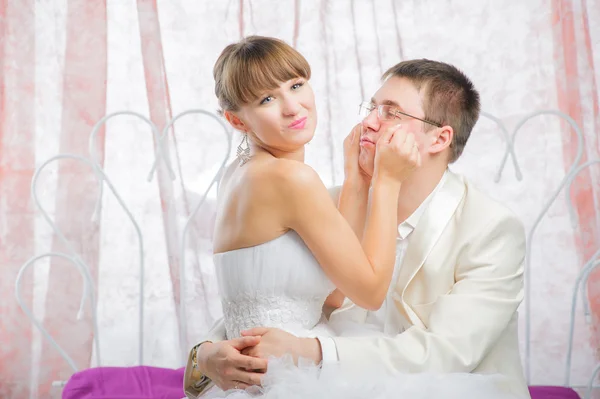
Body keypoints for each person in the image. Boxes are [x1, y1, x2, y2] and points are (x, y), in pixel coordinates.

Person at [184, 38, 528, 398]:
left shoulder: (490, 230)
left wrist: (310, 351)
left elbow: (446, 354)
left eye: (391, 113)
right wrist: (204, 356)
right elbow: (266, 298)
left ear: (439, 139)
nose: (368, 122)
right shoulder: (324, 200)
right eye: (372, 107)